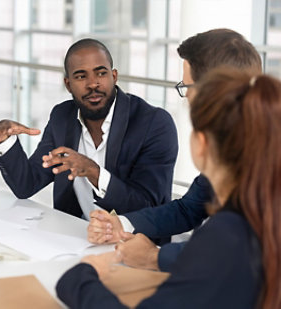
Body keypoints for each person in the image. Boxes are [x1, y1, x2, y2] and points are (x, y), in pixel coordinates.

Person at [57, 67, 281, 309]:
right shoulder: (263, 205)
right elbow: (187, 210)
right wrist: (123, 223)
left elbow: (217, 256)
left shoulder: (227, 235)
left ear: (202, 143)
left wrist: (79, 279)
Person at [87, 28, 263, 270]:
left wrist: (155, 258)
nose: (187, 96)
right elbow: (189, 208)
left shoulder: (265, 153)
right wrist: (123, 224)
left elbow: (242, 248)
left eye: (187, 86)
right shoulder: (230, 141)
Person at [0, 39, 178, 228]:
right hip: (77, 237)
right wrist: (6, 141)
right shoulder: (62, 117)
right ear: (68, 84)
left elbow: (150, 208)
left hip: (135, 245)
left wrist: (93, 172)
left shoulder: (153, 123)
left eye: (101, 73)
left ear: (114, 76)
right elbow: (27, 184)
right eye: (81, 76)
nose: (93, 84)